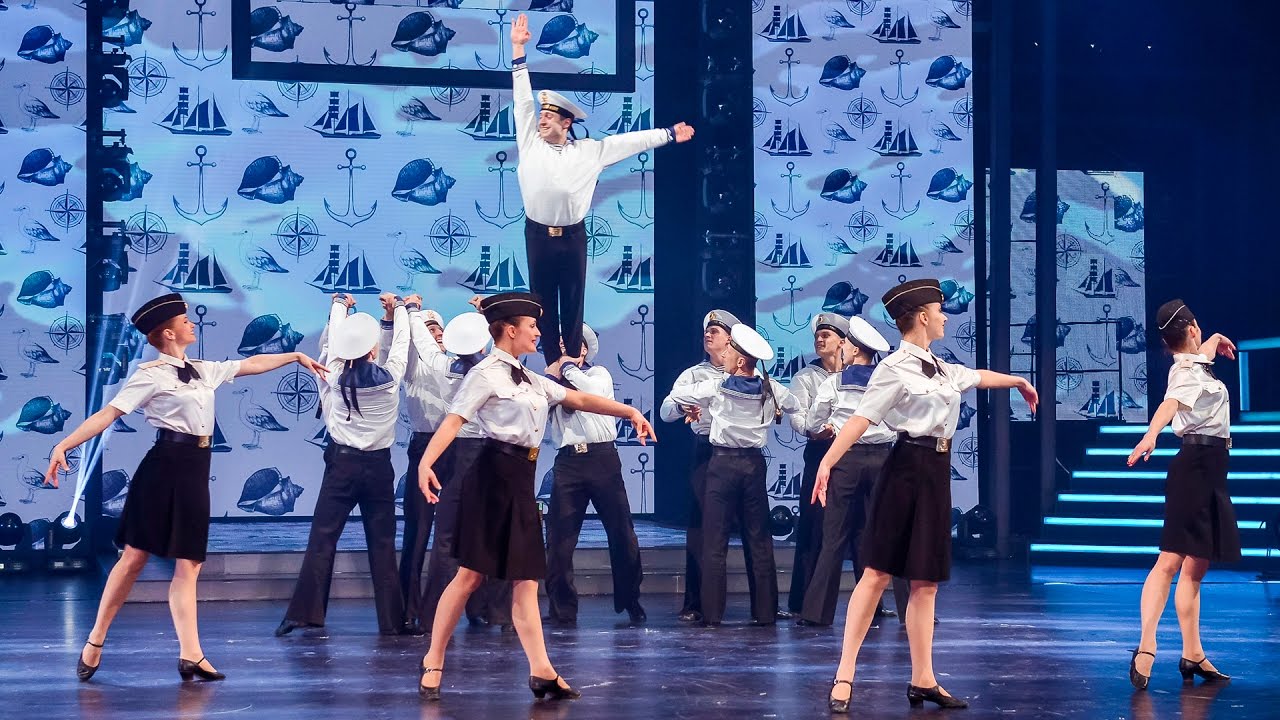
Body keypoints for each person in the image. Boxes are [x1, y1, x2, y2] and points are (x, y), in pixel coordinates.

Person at [47, 292, 326, 682]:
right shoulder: (149, 375)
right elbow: (108, 414)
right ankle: (95, 640)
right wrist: (63, 445)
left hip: (196, 468)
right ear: (168, 332)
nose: (191, 323)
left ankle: (191, 653)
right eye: (184, 321)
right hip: (163, 468)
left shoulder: (202, 369)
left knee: (190, 562)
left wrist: (295, 356)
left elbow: (250, 364)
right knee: (134, 559)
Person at [415, 292, 655, 701]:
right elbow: (454, 421)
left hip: (522, 480)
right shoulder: (485, 373)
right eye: (532, 326)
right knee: (470, 576)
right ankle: (434, 658)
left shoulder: (529, 378)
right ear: (510, 330)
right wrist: (425, 463)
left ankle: (542, 670)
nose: (538, 333)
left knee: (525, 581)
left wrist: (630, 412)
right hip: (491, 478)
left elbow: (578, 398)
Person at [813, 279, 1038, 712]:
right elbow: (861, 419)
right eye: (939, 310)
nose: (944, 317)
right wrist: (828, 462)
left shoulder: (941, 366)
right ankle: (844, 674)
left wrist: (1018, 382)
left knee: (925, 581)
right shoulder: (893, 368)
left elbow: (978, 377)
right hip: (904, 469)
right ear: (921, 317)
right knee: (877, 573)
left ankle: (923, 679)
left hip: (936, 472)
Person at [509, 12, 695, 364]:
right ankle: (553, 363)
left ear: (566, 122)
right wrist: (519, 51)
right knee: (541, 301)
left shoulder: (589, 151)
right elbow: (521, 101)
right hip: (538, 235)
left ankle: (572, 360)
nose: (541, 119)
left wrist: (668, 134)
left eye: (548, 116)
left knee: (573, 301)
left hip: (572, 236)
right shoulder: (530, 144)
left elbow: (628, 142)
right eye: (541, 115)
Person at [276, 293, 409, 637]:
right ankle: (392, 621)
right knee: (382, 543)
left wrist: (339, 304)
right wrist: (399, 309)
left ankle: (304, 613)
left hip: (342, 466)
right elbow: (401, 346)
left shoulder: (333, 375)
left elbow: (333, 344)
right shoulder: (391, 378)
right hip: (378, 468)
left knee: (323, 537)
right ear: (373, 351)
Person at [1125, 299, 1238, 690]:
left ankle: (1193, 653)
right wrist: (1150, 434)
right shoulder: (1186, 371)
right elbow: (1170, 403)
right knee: (1171, 560)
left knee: (1196, 566)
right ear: (1192, 328)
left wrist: (1216, 339)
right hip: (1195, 467)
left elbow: (1201, 356)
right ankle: (1146, 646)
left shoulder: (1196, 362)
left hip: (1211, 469)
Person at [666, 324, 800, 626]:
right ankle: (765, 613)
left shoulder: (716, 386)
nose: (724, 356)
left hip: (722, 465)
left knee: (715, 541)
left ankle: (712, 614)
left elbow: (678, 394)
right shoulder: (770, 388)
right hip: (753, 466)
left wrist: (691, 405)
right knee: (759, 539)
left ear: (740, 360)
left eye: (729, 353)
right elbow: (794, 404)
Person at [799, 316, 905, 626]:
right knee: (890, 535)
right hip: (883, 460)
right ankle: (910, 610)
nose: (841, 349)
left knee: (834, 536)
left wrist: (831, 426)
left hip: (845, 460)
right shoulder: (888, 381)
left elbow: (813, 423)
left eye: (844, 344)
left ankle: (817, 614)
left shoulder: (834, 382)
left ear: (856, 350)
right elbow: (901, 420)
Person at [416, 311, 514, 632]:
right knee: (494, 536)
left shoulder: (444, 367)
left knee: (446, 539)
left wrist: (412, 311)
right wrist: (487, 315)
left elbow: (426, 347)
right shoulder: (494, 369)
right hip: (489, 455)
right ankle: (497, 612)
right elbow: (503, 348)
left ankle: (432, 616)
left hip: (458, 455)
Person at [543, 324, 645, 626]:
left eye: (570, 345)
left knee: (622, 532)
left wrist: (567, 367)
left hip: (602, 459)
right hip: (568, 462)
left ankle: (630, 599)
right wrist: (554, 375)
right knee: (559, 538)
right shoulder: (551, 382)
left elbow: (592, 393)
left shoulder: (598, 374)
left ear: (584, 350)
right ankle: (562, 608)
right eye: (560, 346)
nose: (563, 350)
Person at [659, 310, 736, 622]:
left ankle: (764, 607)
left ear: (730, 339)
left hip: (740, 452)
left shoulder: (745, 370)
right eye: (707, 330)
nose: (708, 334)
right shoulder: (693, 374)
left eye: (715, 331)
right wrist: (683, 406)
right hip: (707, 451)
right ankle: (696, 602)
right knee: (702, 529)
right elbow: (665, 410)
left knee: (752, 532)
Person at [786, 313, 850, 616]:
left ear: (843, 341)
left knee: (861, 528)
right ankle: (803, 599)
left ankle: (872, 602)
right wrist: (812, 431)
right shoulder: (806, 377)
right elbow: (797, 415)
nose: (820, 340)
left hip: (853, 452)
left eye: (827, 335)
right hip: (821, 450)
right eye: (818, 336)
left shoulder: (858, 373)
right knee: (814, 526)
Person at [394, 302, 448, 634]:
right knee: (418, 531)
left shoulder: (457, 362)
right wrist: (406, 313)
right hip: (425, 446)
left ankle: (474, 607)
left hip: (456, 448)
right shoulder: (413, 362)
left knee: (461, 534)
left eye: (439, 328)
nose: (437, 334)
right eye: (430, 330)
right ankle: (409, 609)